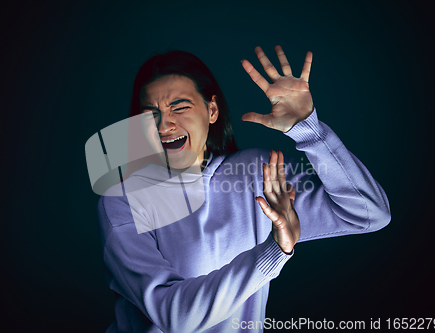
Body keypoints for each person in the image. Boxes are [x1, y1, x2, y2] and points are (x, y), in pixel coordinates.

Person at [95, 45, 391, 332]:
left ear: (211, 110)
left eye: (180, 107)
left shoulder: (256, 173)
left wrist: (308, 129)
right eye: (150, 114)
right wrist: (274, 251)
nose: (163, 125)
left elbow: (368, 212)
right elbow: (174, 316)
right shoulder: (122, 201)